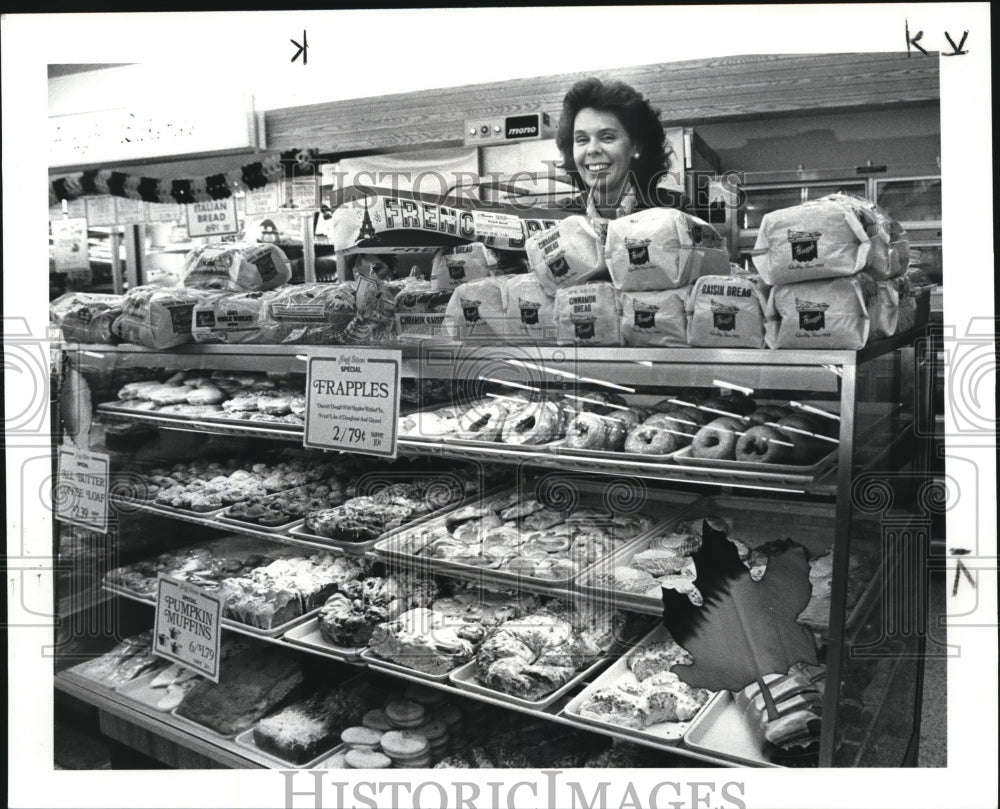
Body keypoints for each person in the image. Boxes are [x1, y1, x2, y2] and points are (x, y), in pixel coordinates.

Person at [555, 77, 678, 219]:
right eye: (582, 139)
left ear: (636, 146)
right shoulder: (558, 215)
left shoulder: (675, 210)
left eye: (607, 137)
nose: (592, 149)